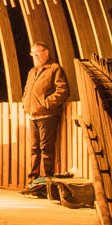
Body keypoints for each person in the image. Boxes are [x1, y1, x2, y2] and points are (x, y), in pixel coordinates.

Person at [20, 41, 69, 197]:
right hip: (33, 114)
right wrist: (25, 103)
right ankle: (33, 182)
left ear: (46, 52)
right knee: (34, 148)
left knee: (46, 149)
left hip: (47, 115)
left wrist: (47, 104)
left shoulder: (54, 68)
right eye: (32, 54)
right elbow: (27, 89)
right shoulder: (32, 71)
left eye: (37, 52)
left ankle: (47, 184)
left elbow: (63, 89)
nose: (35, 56)